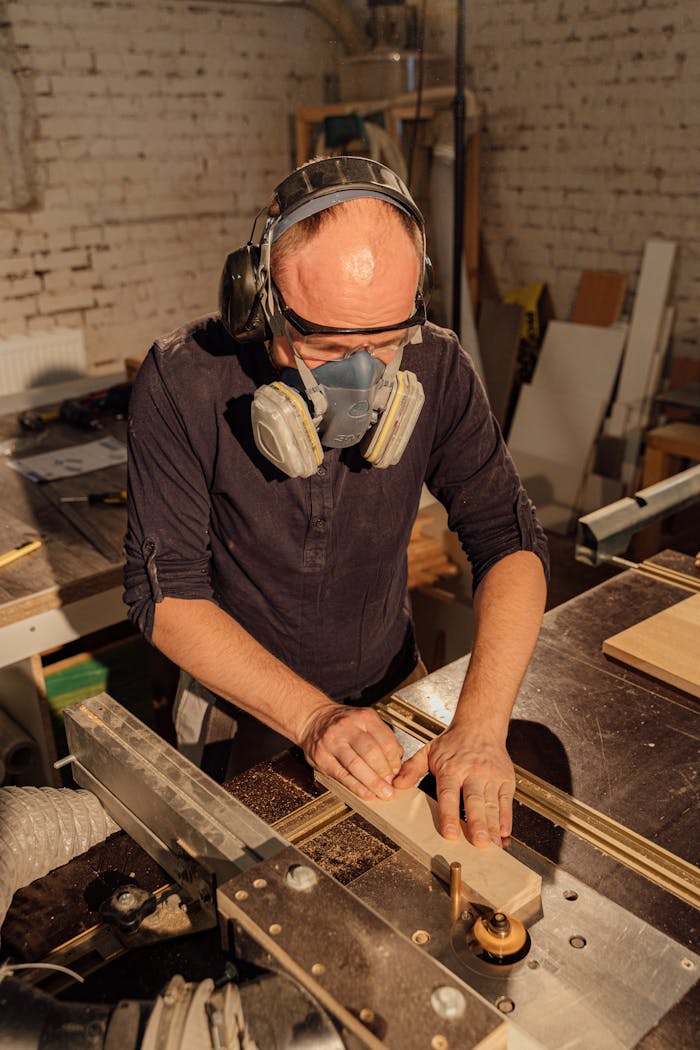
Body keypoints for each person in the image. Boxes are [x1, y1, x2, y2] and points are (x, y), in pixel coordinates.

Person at [124, 156, 548, 850]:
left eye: (384, 340)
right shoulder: (184, 380)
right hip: (240, 708)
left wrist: (479, 725)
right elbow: (164, 595)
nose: (362, 373)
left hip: (392, 686)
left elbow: (511, 540)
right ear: (259, 300)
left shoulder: (436, 364)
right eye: (325, 343)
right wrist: (315, 720)